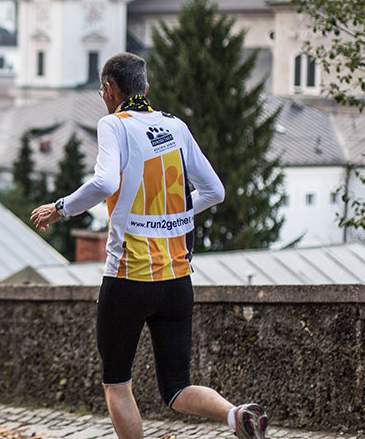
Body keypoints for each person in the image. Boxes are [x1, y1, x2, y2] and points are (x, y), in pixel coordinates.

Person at [30, 53, 268, 439]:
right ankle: (235, 414)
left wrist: (61, 209)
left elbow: (106, 183)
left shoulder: (114, 124)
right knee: (176, 386)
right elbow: (215, 191)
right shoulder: (175, 125)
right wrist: (176, 218)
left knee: (117, 382)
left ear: (109, 90)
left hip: (128, 277)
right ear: (146, 88)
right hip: (177, 280)